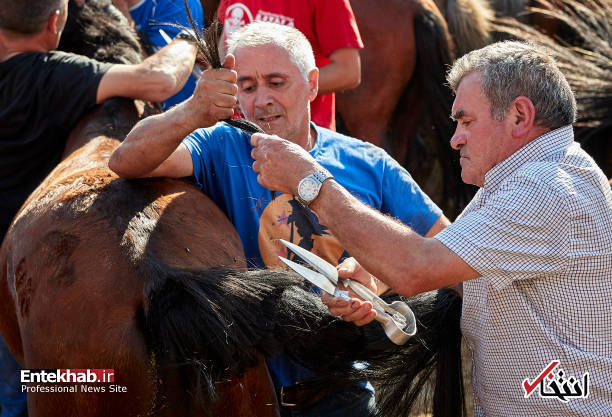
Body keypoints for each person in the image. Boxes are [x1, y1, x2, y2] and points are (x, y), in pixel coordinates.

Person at [249, 40, 612, 416]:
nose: (455, 138)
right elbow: (459, 272)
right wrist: (375, 273)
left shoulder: (542, 187)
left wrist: (310, 181)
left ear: (519, 115)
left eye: (466, 121)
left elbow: (416, 267)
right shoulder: (526, 178)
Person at [109, 21, 448, 417]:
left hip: (342, 390)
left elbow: (445, 243)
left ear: (312, 84)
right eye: (248, 87)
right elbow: (126, 160)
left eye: (276, 82)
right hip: (246, 394)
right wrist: (191, 112)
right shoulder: (221, 144)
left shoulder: (368, 163)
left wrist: (376, 275)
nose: (262, 100)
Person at [0, 0, 197, 414]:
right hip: (23, 272)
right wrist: (186, 37)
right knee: (32, 387)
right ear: (55, 22)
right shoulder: (49, 74)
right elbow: (159, 80)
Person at [217, 0, 362, 131]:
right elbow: (226, 42)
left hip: (303, 144)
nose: (261, 100)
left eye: (276, 83)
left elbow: (348, 71)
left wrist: (278, 88)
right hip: (237, 135)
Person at [110, 0, 205, 110]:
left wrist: (121, 11)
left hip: (178, 115)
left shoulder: (180, 2)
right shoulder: (91, 5)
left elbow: (158, 73)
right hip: (119, 114)